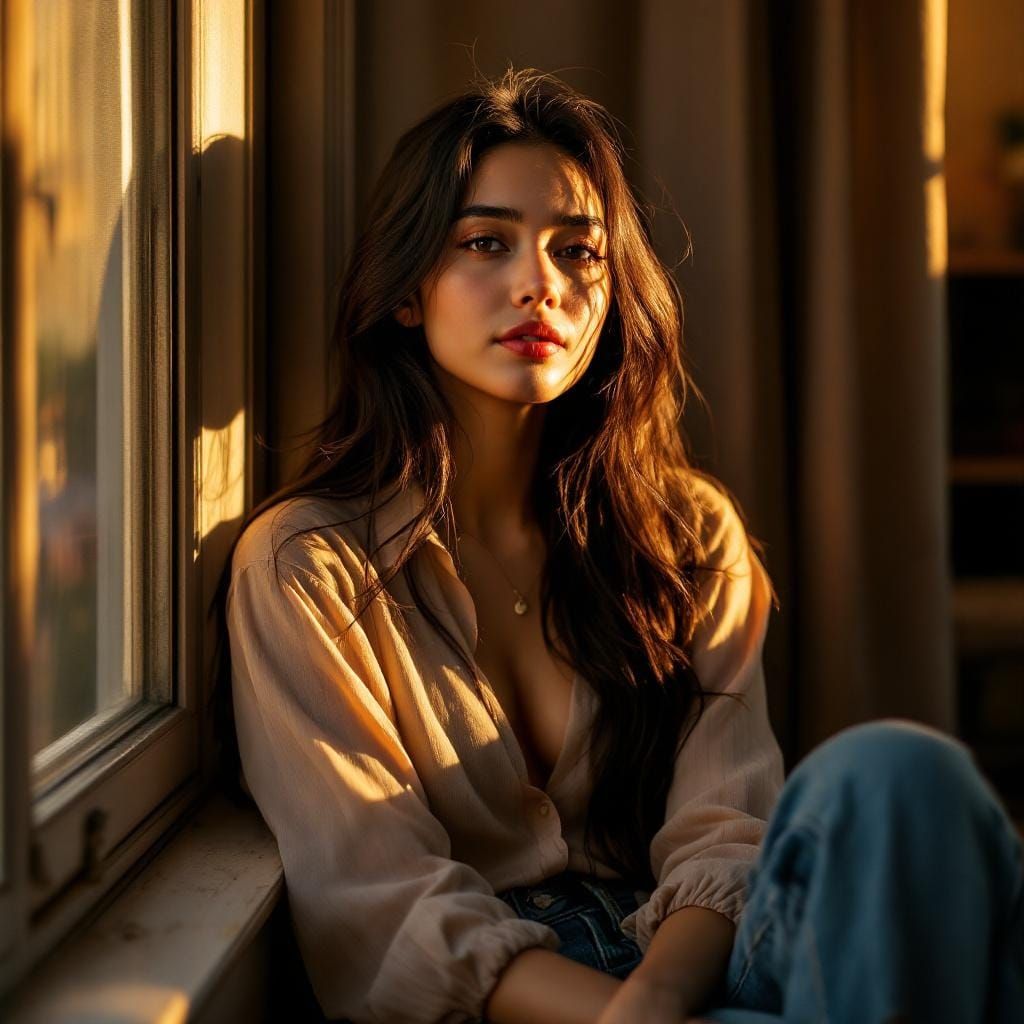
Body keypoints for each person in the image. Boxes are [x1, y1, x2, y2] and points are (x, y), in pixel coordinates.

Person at [215, 68, 1024, 1024]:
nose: (541, 286)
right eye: (486, 243)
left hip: (701, 954)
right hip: (518, 1001)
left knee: (900, 773)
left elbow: (725, 829)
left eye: (577, 251)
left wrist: (658, 998)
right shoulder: (306, 567)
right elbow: (382, 907)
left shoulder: (686, 536)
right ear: (407, 291)